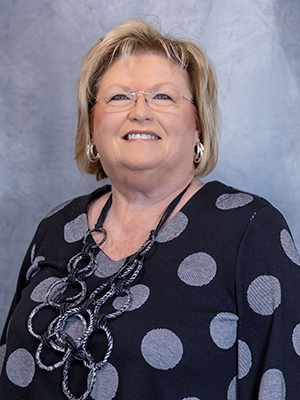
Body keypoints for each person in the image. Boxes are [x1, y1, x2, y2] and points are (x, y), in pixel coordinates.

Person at [0, 18, 300, 400]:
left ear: (198, 129)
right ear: (92, 129)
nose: (140, 111)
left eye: (163, 97)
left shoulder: (250, 230)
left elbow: (282, 382)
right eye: (119, 97)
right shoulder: (55, 227)